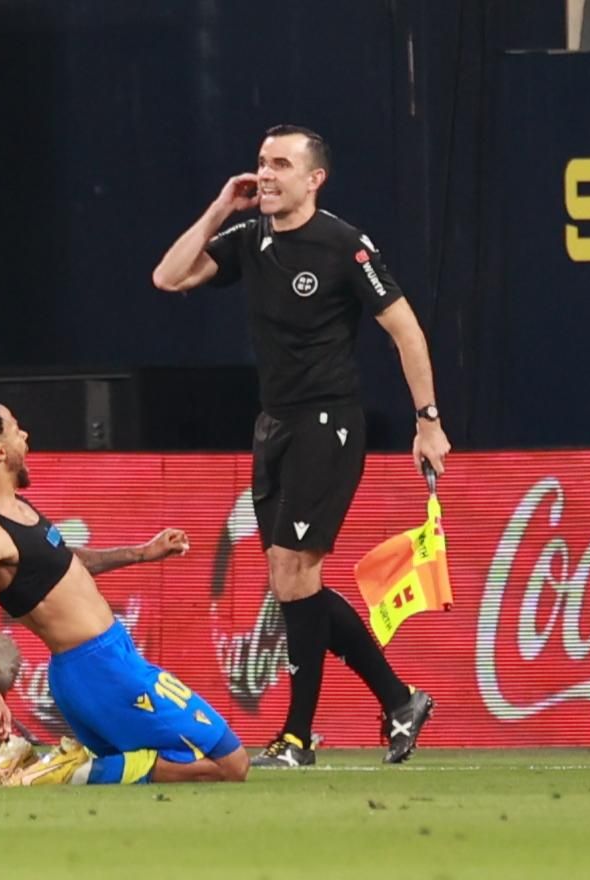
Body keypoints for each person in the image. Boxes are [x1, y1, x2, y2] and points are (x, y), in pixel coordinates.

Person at [152, 124, 452, 767]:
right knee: (292, 582)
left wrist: (427, 421)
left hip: (328, 423)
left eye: (281, 164)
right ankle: (399, 699)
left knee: (296, 573)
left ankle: (296, 736)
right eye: (262, 162)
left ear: (315, 179)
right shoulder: (250, 239)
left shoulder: (344, 245)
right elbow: (168, 277)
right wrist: (218, 208)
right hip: (274, 425)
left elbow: (407, 332)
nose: (266, 174)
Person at [0, 398, 248, 785]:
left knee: (144, 767)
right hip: (97, 670)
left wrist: (141, 553)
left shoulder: (14, 507)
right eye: (15, 429)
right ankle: (57, 770)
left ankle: (48, 767)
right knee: (231, 764)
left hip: (107, 659)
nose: (25, 435)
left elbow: (63, 563)